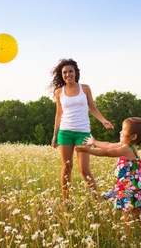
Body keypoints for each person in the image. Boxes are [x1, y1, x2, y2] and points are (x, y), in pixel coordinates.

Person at [75, 117, 141, 238]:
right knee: (138, 214)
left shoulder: (127, 149)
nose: (120, 132)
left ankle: (130, 236)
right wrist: (94, 142)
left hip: (131, 189)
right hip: (133, 188)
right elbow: (108, 145)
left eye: (123, 130)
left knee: (129, 213)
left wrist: (89, 150)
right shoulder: (126, 146)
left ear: (133, 136)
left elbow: (107, 152)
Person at [50, 58, 113, 202]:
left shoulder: (85, 88)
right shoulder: (59, 91)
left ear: (76, 72)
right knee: (66, 168)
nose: (68, 74)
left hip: (83, 132)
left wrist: (103, 121)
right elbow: (58, 114)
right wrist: (55, 135)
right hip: (64, 132)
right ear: (62, 75)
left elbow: (93, 107)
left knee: (84, 169)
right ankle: (66, 202)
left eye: (70, 71)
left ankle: (97, 201)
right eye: (65, 72)